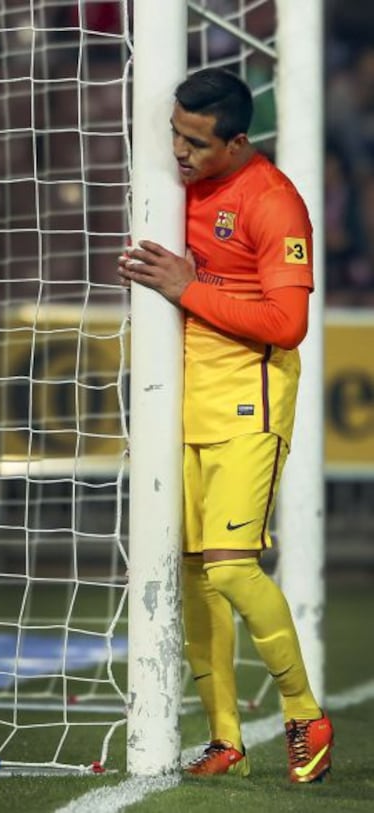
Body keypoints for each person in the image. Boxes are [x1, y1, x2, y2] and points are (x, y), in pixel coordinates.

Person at [118, 68, 334, 783]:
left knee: (233, 567)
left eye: (197, 143)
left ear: (238, 141)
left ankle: (304, 713)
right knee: (190, 576)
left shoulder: (273, 204)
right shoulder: (171, 183)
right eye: (175, 134)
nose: (180, 152)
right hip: (179, 402)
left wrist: (190, 286)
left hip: (249, 399)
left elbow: (289, 322)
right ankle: (225, 738)